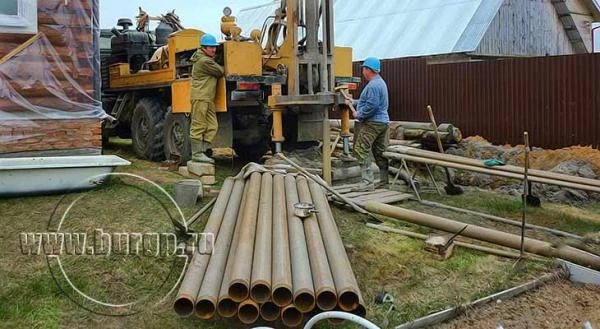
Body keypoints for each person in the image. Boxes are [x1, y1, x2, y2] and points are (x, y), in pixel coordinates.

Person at [345, 56, 390, 191]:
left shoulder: (373, 86)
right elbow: (368, 102)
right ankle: (384, 181)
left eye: (364, 69)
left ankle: (367, 182)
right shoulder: (380, 83)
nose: (363, 72)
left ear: (368, 70)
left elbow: (372, 106)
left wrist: (360, 114)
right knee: (379, 151)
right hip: (383, 122)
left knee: (360, 149)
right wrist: (353, 102)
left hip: (373, 123)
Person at [189, 33, 225, 164]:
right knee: (198, 125)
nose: (214, 49)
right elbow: (220, 71)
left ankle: (203, 150)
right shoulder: (204, 61)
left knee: (212, 126)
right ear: (204, 48)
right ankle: (197, 154)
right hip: (201, 97)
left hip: (207, 98)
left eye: (214, 47)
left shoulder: (206, 59)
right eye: (211, 47)